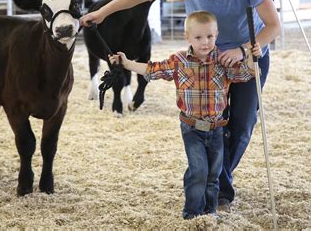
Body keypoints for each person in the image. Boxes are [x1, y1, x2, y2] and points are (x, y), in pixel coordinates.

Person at [81, 0, 281, 213]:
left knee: (240, 125)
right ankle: (219, 189)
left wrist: (240, 51)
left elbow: (273, 26)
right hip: (204, 59)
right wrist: (103, 12)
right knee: (212, 125)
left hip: (246, 57)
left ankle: (216, 177)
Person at [108, 11, 260, 219]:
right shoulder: (179, 61)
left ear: (217, 35)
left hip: (217, 128)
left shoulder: (223, 62)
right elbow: (153, 69)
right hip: (191, 128)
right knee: (198, 171)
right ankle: (192, 214)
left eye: (209, 37)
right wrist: (126, 64)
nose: (205, 42)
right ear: (187, 37)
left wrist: (252, 57)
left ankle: (210, 212)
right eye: (198, 37)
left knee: (213, 175)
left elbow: (245, 73)